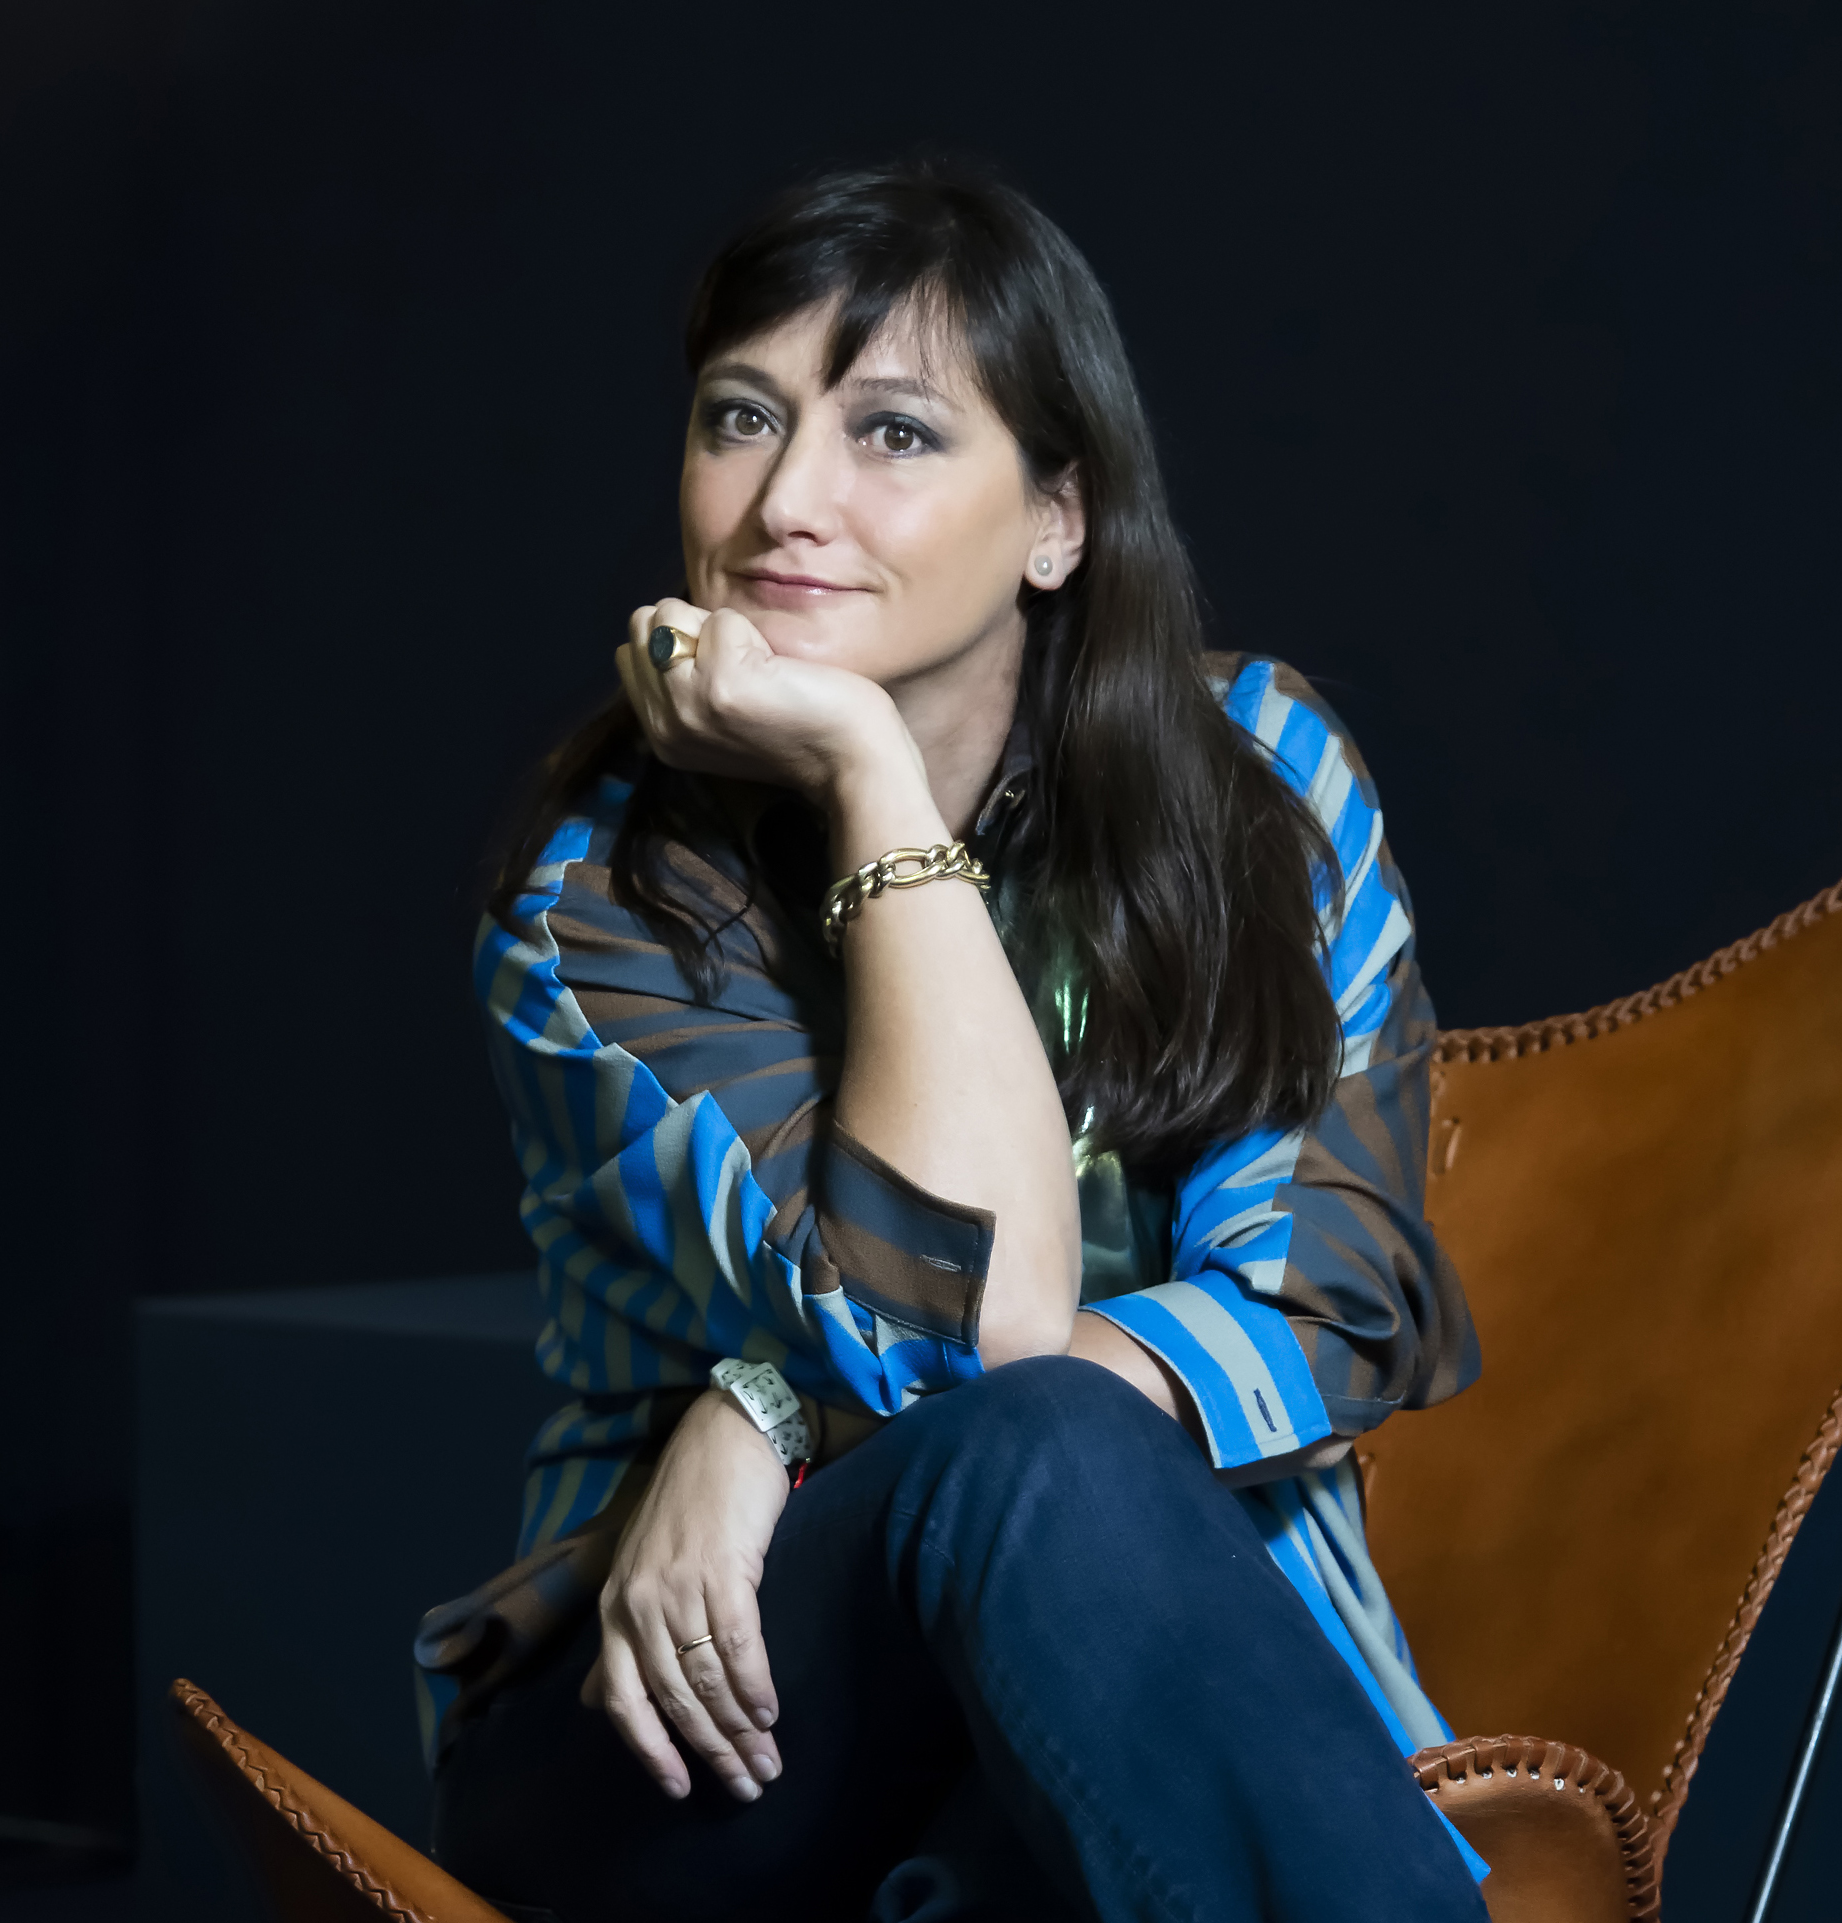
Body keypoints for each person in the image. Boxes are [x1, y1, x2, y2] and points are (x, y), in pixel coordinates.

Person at [417, 162, 1489, 1923]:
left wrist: (768, 1411)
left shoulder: (1256, 785)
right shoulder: (600, 893)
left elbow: (1334, 1288)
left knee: (1026, 1793)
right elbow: (969, 1326)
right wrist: (866, 771)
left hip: (1126, 1700)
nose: (786, 501)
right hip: (694, 1721)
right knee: (1043, 1446)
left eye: (895, 433)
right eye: (742, 417)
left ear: (1058, 522)